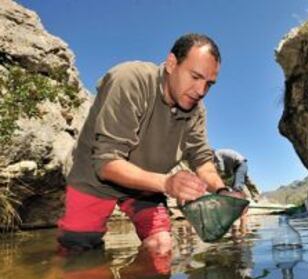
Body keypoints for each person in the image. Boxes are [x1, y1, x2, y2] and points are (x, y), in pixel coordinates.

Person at [57, 33, 242, 255]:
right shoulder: (130, 80)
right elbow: (106, 163)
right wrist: (167, 183)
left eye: (209, 84)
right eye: (195, 76)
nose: (201, 91)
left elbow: (202, 160)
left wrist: (222, 191)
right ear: (172, 64)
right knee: (77, 254)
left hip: (146, 188)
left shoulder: (197, 110)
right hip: (94, 179)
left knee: (161, 245)